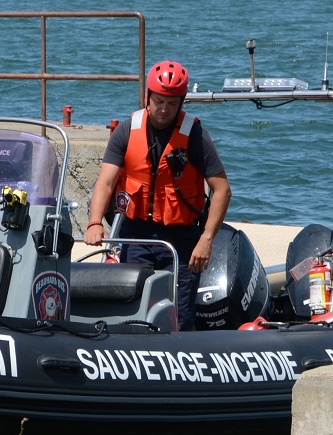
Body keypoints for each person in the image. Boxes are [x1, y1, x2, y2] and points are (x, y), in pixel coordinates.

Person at [84, 60, 231, 332]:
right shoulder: (127, 131)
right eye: (159, 101)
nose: (164, 109)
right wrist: (94, 222)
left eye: (172, 104)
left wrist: (207, 240)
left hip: (183, 237)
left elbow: (222, 189)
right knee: (132, 310)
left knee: (181, 314)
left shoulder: (196, 136)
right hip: (136, 234)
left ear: (182, 102)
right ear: (147, 97)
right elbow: (105, 182)